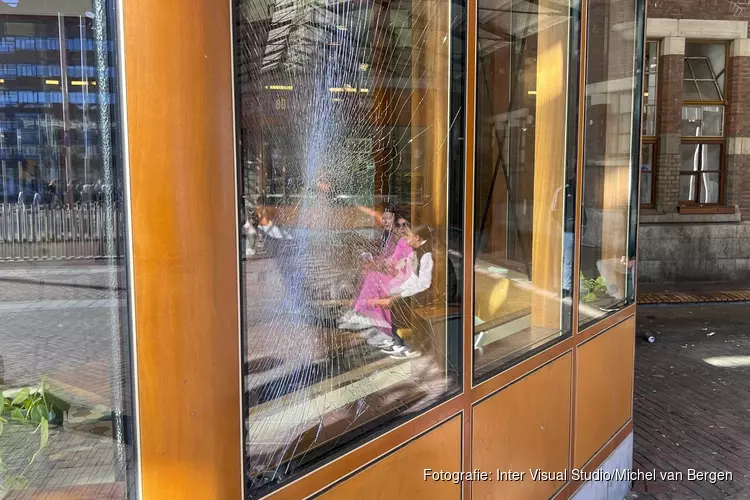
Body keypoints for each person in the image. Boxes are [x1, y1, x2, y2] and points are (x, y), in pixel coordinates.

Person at [338, 217, 413, 333]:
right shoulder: (402, 241)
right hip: (394, 276)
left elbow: (409, 272)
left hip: (403, 281)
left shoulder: (412, 243)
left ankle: (363, 314)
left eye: (406, 224)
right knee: (368, 274)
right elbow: (392, 258)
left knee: (374, 278)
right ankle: (367, 316)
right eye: (399, 225)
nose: (402, 228)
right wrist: (379, 264)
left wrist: (392, 269)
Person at [376, 225, 435, 359]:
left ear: (417, 238)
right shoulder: (419, 251)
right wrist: (395, 291)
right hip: (422, 289)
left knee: (397, 303)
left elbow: (424, 284)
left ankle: (411, 345)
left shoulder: (427, 255)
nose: (406, 240)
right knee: (393, 297)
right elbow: (414, 277)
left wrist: (399, 296)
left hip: (429, 293)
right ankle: (399, 341)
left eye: (408, 237)